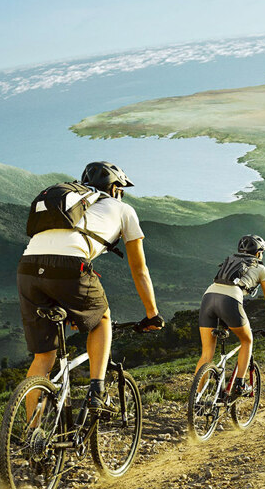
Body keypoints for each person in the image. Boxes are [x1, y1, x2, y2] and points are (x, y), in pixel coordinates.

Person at [17, 161, 163, 416]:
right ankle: (98, 391)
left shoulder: (72, 203)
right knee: (102, 318)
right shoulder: (123, 209)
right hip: (69, 266)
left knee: (43, 358)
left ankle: (34, 435)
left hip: (27, 269)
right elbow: (140, 270)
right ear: (115, 187)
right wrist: (152, 314)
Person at [195, 234, 265, 397]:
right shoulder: (261, 269)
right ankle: (240, 384)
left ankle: (196, 398)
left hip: (208, 298)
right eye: (262, 252)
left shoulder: (231, 260)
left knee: (207, 354)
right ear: (258, 253)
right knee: (247, 340)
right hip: (230, 301)